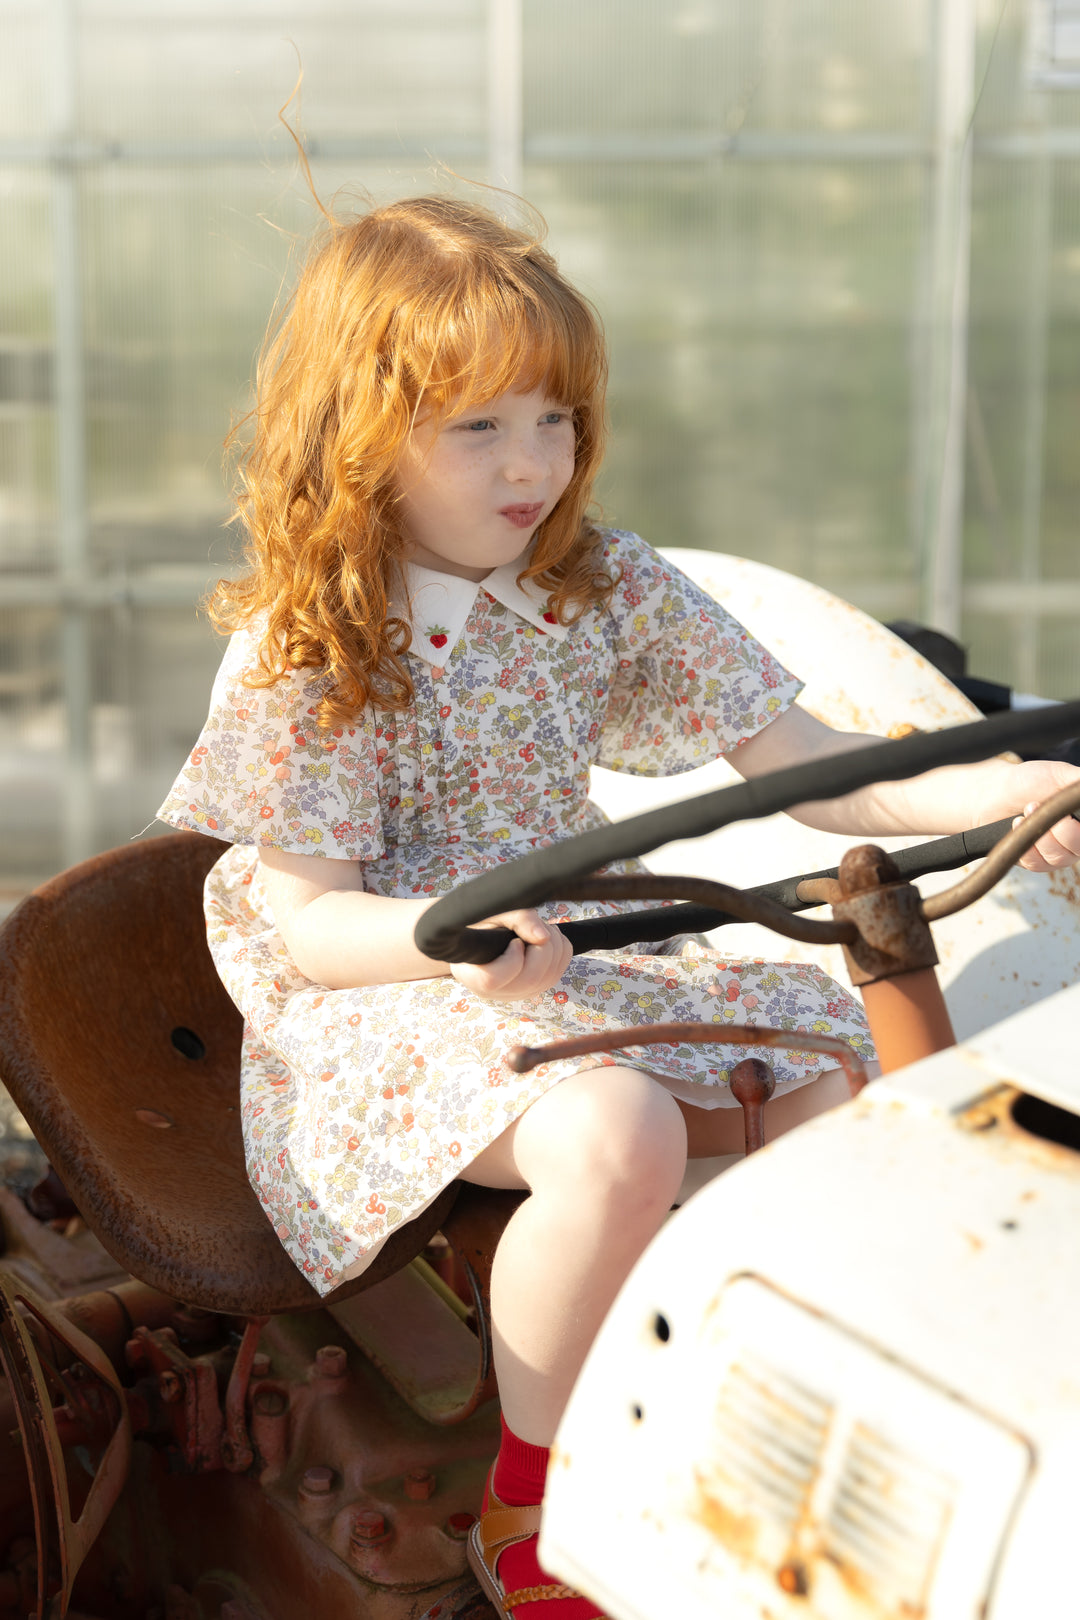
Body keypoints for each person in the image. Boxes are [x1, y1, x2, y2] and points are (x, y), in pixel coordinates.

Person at [158, 194, 1080, 1619]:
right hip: (387, 986)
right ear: (362, 432)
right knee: (617, 1129)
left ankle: (744, 1455)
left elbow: (815, 772)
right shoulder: (316, 648)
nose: (535, 465)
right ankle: (529, 1501)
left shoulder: (602, 585)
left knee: (851, 1099)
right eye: (481, 429)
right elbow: (311, 928)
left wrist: (1006, 786)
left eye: (557, 419)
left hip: (577, 942)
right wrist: (453, 951)